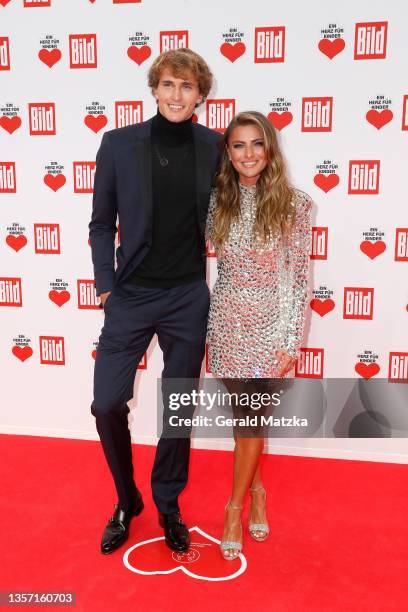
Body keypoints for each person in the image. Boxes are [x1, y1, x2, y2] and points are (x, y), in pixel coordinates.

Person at [89, 48, 221, 555]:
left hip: (187, 295)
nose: (176, 95)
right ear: (155, 88)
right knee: (105, 404)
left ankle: (168, 503)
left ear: (200, 96)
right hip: (132, 294)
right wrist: (106, 284)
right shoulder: (119, 144)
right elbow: (102, 224)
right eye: (168, 84)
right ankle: (128, 501)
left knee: (178, 408)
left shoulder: (214, 146)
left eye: (187, 87)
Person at [205, 111, 312, 559]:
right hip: (227, 320)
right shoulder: (216, 202)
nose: (248, 154)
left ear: (270, 150)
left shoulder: (295, 204)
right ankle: (259, 490)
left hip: (271, 326)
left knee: (251, 420)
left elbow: (299, 276)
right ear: (228, 154)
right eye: (238, 146)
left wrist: (290, 338)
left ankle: (235, 507)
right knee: (243, 419)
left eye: (256, 144)